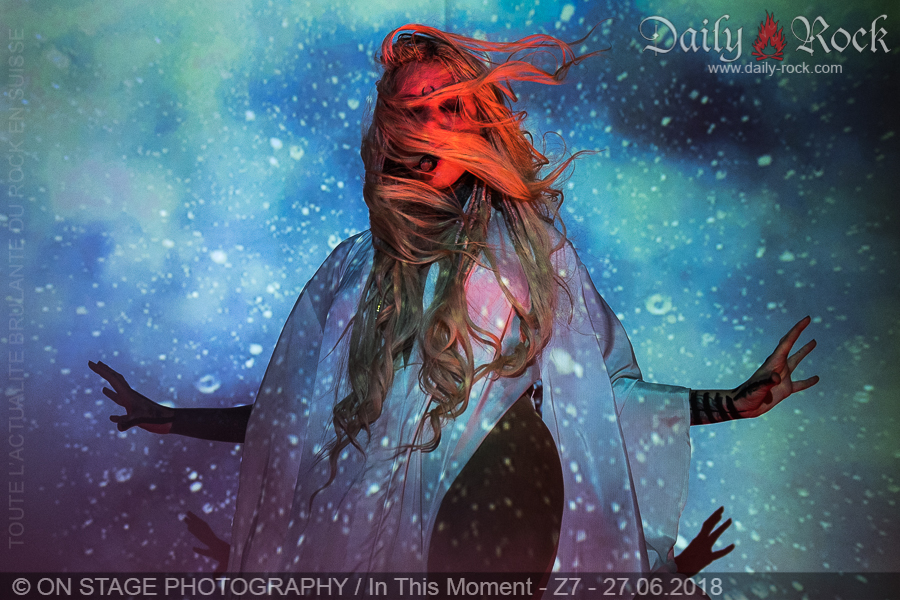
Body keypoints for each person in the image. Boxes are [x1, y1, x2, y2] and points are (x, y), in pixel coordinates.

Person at [90, 24, 817, 584]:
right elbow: (297, 417)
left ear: (476, 122)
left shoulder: (534, 254)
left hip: (505, 507)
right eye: (414, 108)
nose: (430, 124)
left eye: (449, 107)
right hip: (384, 532)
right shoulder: (352, 271)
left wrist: (728, 403)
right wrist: (174, 418)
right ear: (390, 126)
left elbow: (602, 397)